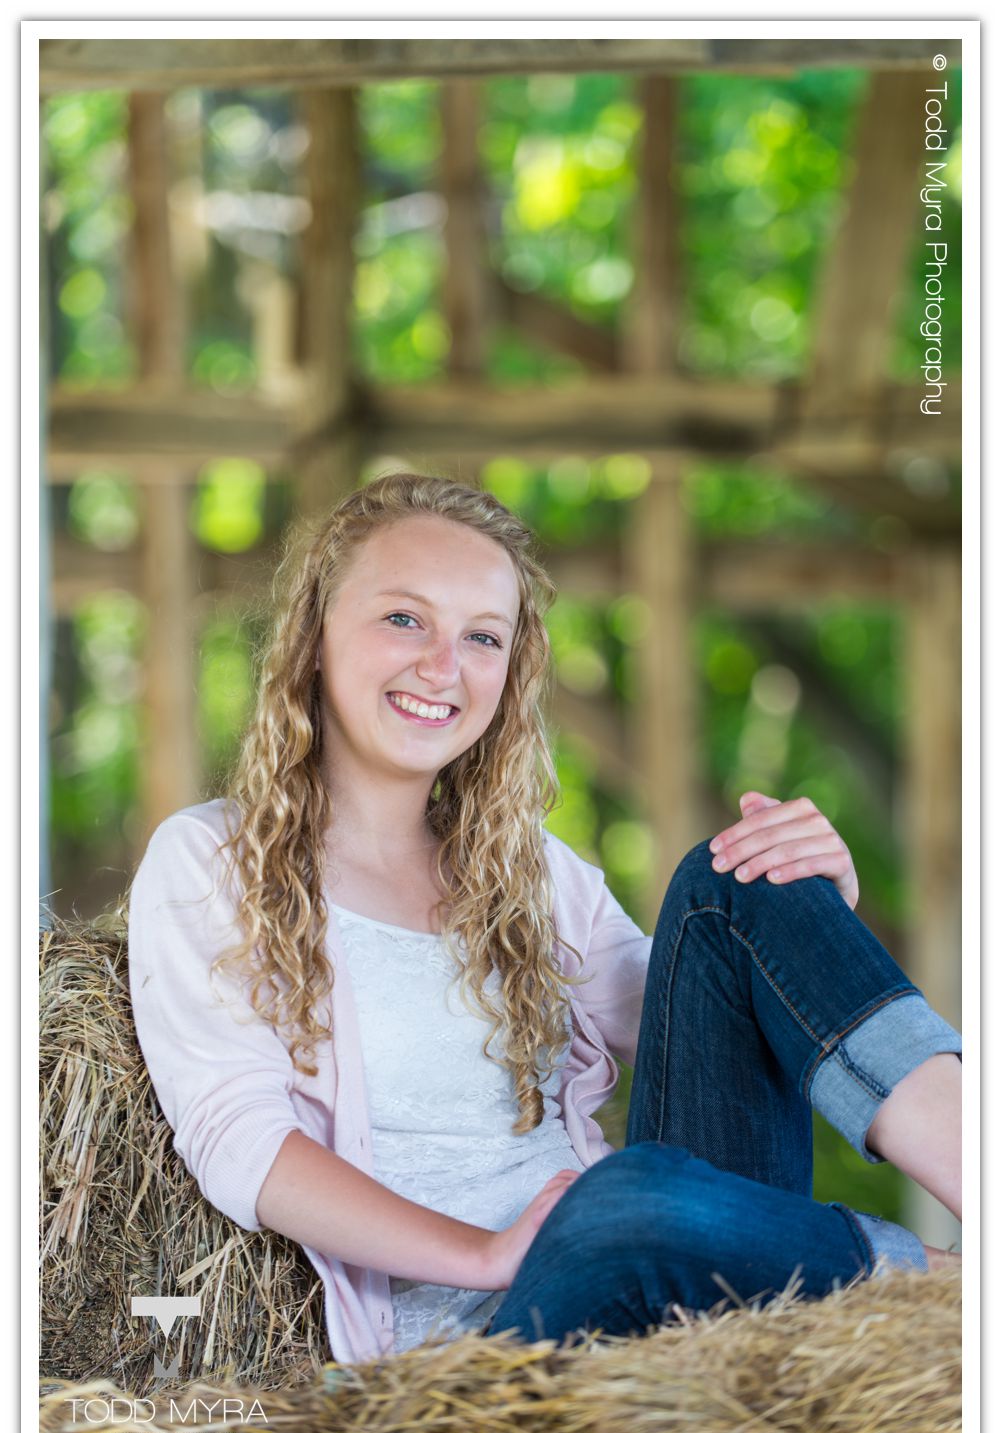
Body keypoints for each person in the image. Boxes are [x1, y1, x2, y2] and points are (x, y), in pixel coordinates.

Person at [127, 472, 962, 1364]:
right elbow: (243, 1144)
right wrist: (485, 1255)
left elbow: (710, 1012)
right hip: (491, 1346)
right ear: (316, 635)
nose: (442, 666)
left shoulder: (530, 871)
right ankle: (947, 1286)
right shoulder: (212, 860)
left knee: (740, 875)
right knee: (619, 1200)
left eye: (481, 637)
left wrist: (809, 904)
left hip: (654, 1271)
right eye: (404, 618)